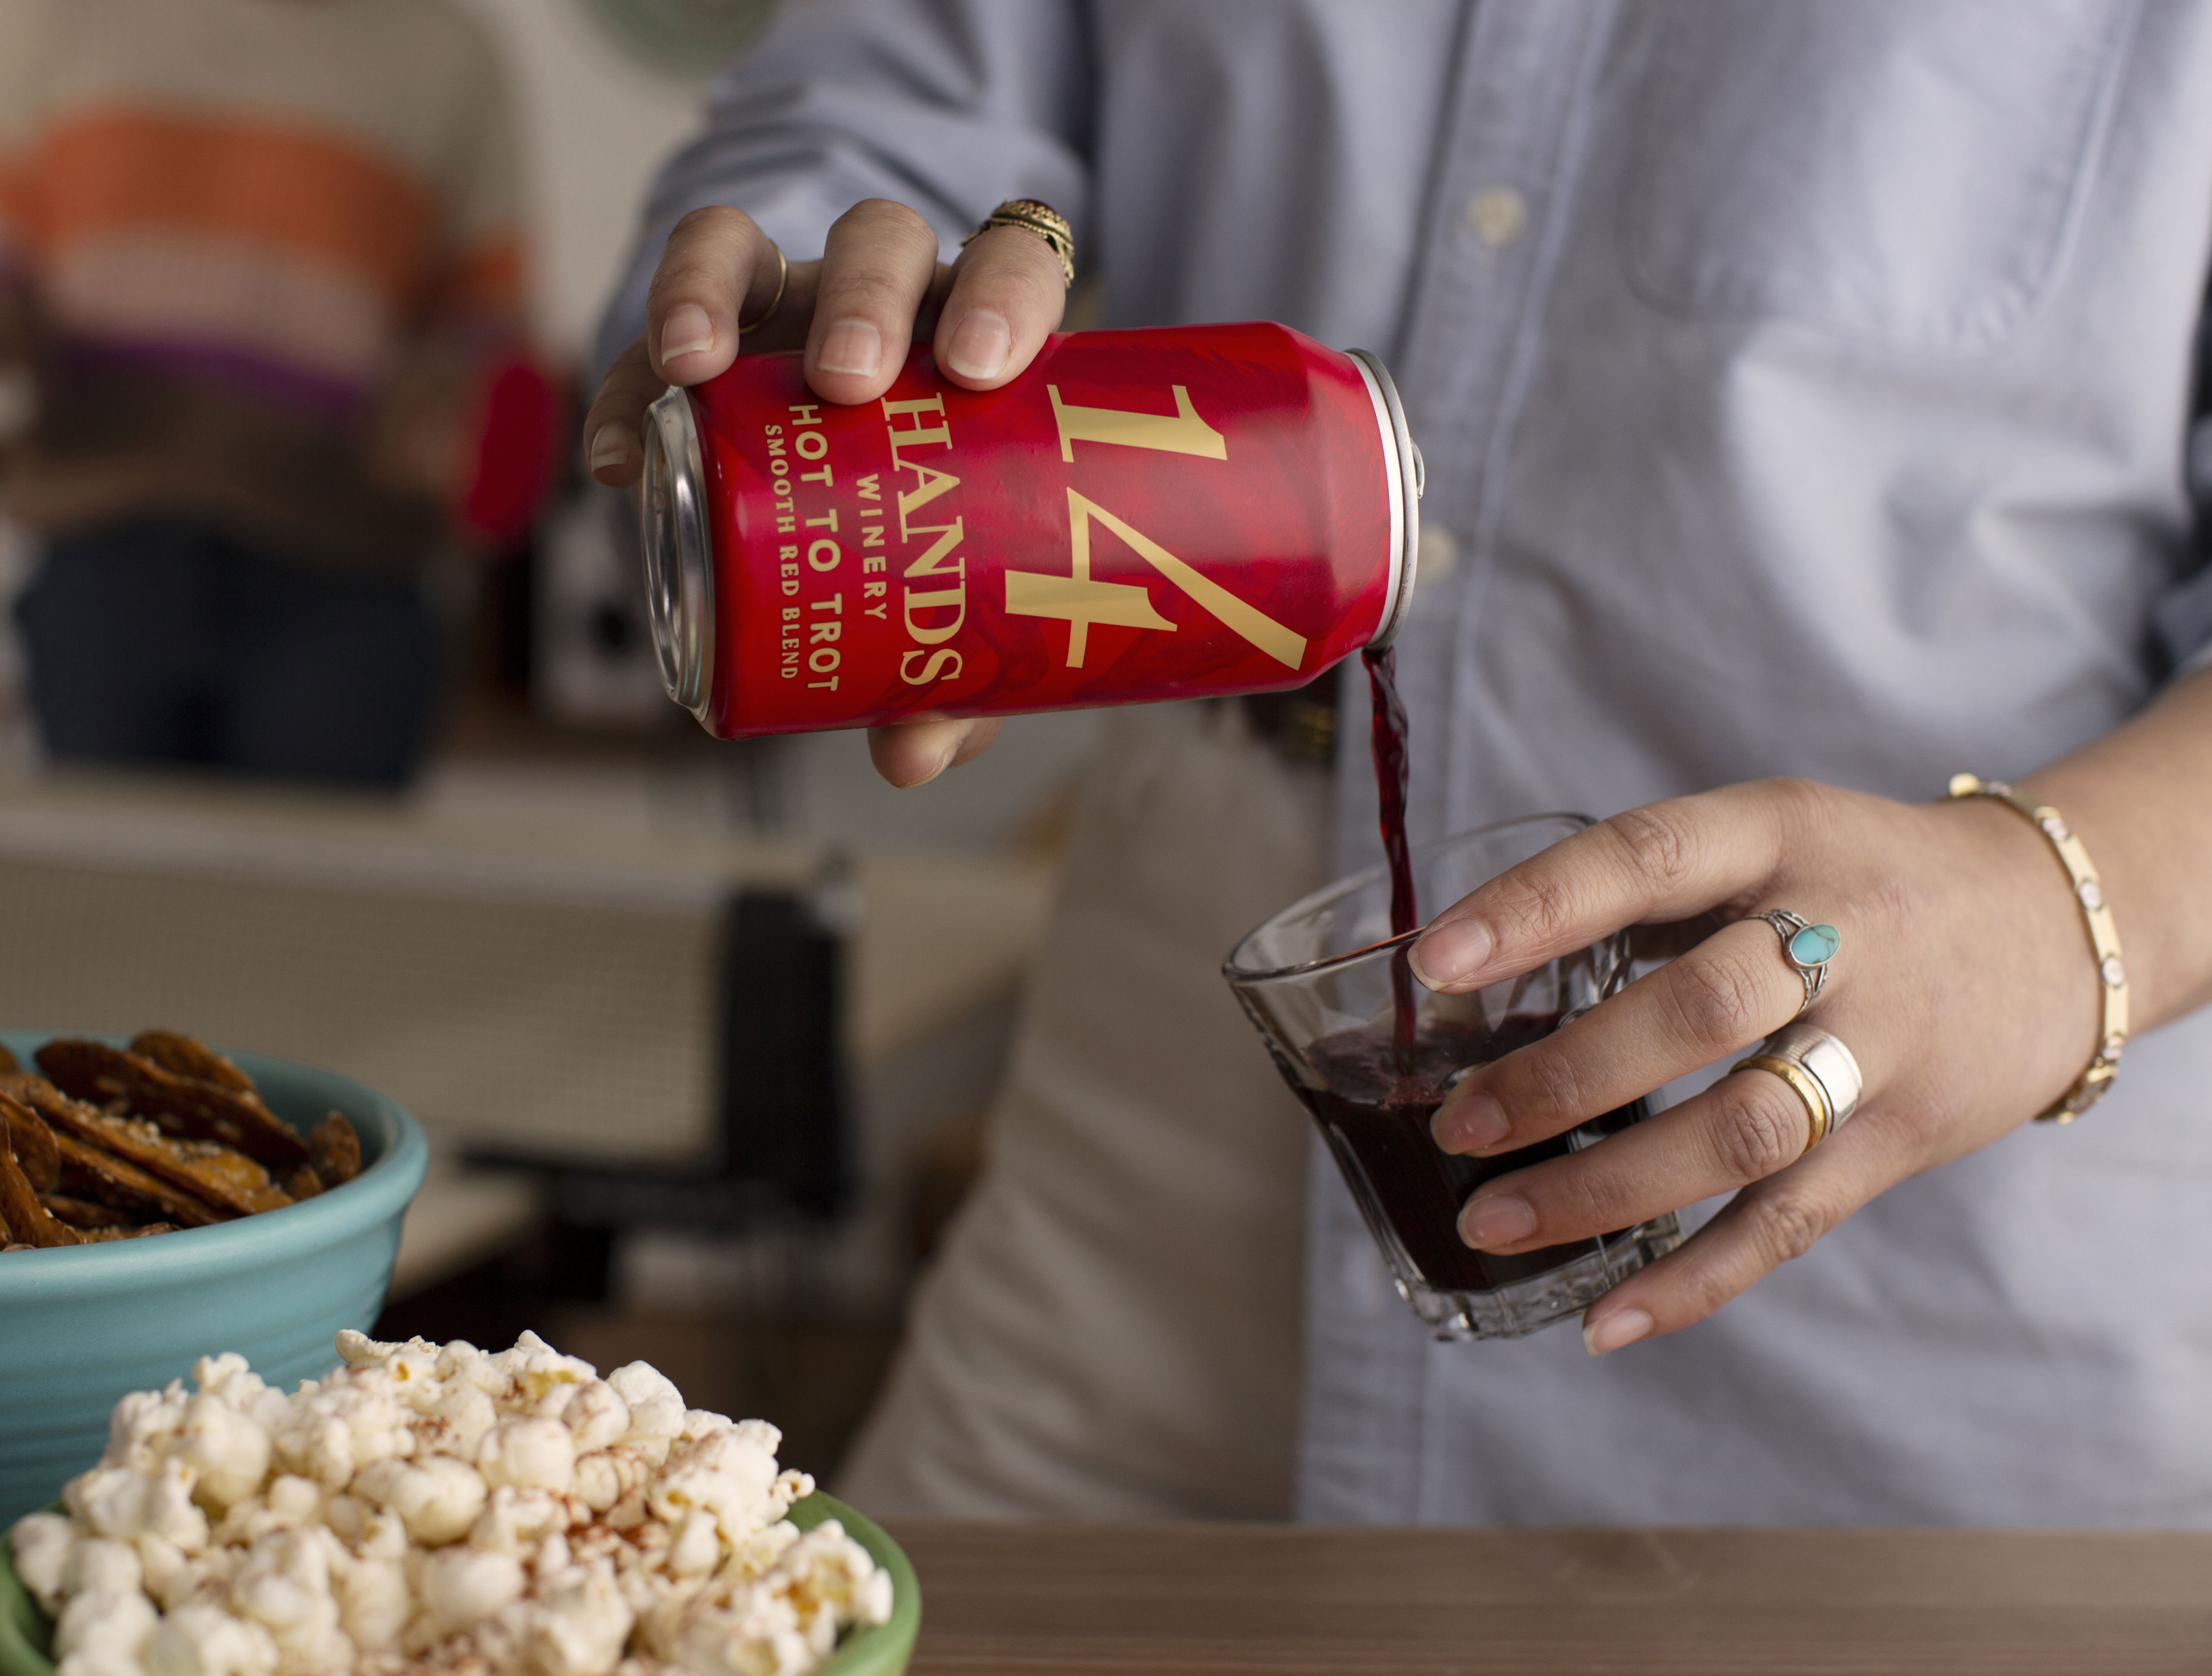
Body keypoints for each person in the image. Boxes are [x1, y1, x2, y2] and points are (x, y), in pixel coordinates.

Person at [586, 2, 2212, 1525]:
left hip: (1891, 1301)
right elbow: (878, 111)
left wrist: (2048, 910)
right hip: (1137, 1209)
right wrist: (827, 328)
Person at [0, 0, 552, 790]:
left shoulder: (450, 55)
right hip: (103, 558)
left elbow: (484, 327)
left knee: (319, 871)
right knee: (112, 869)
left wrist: (445, 422)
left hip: (345, 577)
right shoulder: (51, 20)